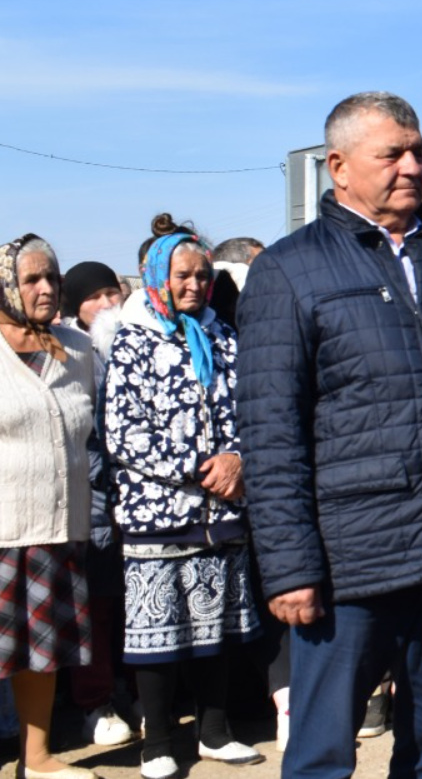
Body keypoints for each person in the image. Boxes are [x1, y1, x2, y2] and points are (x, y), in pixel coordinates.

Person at [236, 91, 422, 779]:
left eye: (418, 152)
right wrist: (289, 566)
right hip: (350, 562)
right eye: (392, 154)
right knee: (324, 751)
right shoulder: (289, 270)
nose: (411, 166)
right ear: (338, 166)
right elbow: (271, 432)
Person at [103, 220, 264, 778]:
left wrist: (238, 459)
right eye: (183, 276)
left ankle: (216, 732)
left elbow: (250, 407)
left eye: (203, 275)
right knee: (157, 635)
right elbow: (125, 432)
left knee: (214, 627)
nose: (195, 285)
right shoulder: (134, 337)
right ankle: (159, 742)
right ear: (158, 279)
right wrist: (200, 470)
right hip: (159, 511)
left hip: (220, 511)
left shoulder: (222, 334)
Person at [0, 234, 100, 779]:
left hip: (59, 523)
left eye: (52, 277)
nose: (45, 288)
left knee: (40, 650)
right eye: (32, 278)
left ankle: (34, 760)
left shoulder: (78, 349)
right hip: (3, 524)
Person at [54, 260, 134, 747]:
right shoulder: (71, 353)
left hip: (136, 501)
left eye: (113, 292)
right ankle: (95, 702)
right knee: (97, 608)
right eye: (95, 296)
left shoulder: (130, 343)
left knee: (134, 606)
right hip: (95, 502)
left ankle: (134, 692)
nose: (108, 305)